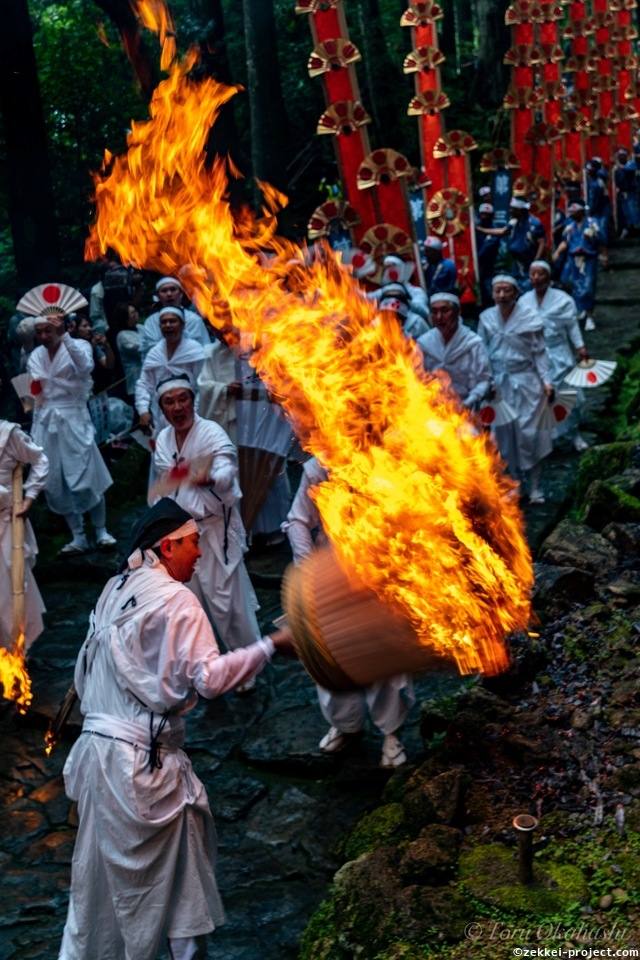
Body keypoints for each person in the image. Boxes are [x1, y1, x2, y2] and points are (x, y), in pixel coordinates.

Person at [57, 498, 294, 960]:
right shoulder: (177, 600)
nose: (200, 553)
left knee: (101, 884)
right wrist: (269, 647)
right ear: (167, 548)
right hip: (137, 772)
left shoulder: (115, 586)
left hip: (97, 758)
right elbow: (207, 680)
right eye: (192, 543)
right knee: (136, 889)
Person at [282, 457, 414, 768]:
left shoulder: (392, 459)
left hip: (382, 575)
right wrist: (308, 570)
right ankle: (346, 724)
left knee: (385, 658)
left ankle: (391, 732)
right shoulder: (317, 468)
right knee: (330, 655)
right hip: (330, 575)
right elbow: (298, 520)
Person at [153, 378, 263, 676]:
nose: (178, 407)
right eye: (170, 401)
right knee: (189, 605)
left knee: (229, 606)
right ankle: (203, 666)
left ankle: (247, 667)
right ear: (162, 408)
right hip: (180, 537)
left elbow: (227, 468)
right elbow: (164, 484)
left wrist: (213, 478)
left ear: (192, 400)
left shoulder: (212, 433)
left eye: (182, 399)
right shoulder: (163, 440)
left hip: (214, 533)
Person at [27, 314, 115, 553]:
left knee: (87, 475)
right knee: (56, 480)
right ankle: (78, 536)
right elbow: (35, 395)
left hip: (75, 419)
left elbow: (86, 366)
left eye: (49, 331)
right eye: (40, 332)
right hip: (47, 422)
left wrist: (65, 335)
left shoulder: (80, 345)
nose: (44, 336)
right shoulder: (35, 356)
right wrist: (34, 431)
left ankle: (101, 530)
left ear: (60, 329)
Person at [477, 275, 554, 503]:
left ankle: (536, 486)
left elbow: (540, 352)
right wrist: (486, 382)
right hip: (499, 385)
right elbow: (482, 353)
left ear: (515, 293)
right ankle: (513, 484)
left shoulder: (530, 318)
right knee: (502, 438)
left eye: (506, 291)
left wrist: (546, 381)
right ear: (492, 294)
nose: (501, 295)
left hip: (527, 383)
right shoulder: (486, 318)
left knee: (529, 434)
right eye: (497, 290)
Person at [520, 261, 589, 451]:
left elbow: (572, 326)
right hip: (535, 356)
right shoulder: (524, 301)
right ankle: (546, 439)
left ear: (548, 277)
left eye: (540, 274)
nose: (536, 278)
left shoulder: (563, 300)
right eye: (532, 274)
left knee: (567, 395)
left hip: (559, 353)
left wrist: (580, 347)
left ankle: (574, 434)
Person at [0, 419, 48, 648]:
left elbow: (40, 460)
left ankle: (15, 652)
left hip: (6, 523)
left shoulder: (8, 434)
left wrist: (29, 497)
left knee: (10, 590)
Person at [135, 305, 205, 437]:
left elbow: (202, 385)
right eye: (164, 322)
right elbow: (144, 383)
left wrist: (194, 413)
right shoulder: (154, 353)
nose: (168, 325)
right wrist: (143, 410)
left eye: (172, 321)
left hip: (191, 413)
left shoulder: (194, 351)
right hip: (161, 417)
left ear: (182, 325)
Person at [417, 292, 491, 408]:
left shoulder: (473, 343)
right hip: (432, 410)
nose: (439, 317)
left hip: (467, 408)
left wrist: (467, 403)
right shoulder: (424, 343)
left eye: (445, 311)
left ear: (458, 312)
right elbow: (416, 378)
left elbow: (484, 380)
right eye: (434, 312)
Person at [553, 201, 600, 331]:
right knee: (569, 282)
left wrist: (592, 237)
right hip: (573, 258)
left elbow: (599, 239)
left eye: (574, 212)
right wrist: (557, 252)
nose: (571, 214)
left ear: (581, 212)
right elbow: (565, 241)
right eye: (570, 212)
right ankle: (581, 308)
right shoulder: (570, 225)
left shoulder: (591, 222)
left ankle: (589, 316)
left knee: (588, 287)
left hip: (588, 259)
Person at [139, 277, 211, 357]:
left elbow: (205, 348)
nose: (169, 294)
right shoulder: (151, 321)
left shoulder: (194, 319)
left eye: (173, 289)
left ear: (181, 294)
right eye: (164, 291)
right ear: (158, 296)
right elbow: (147, 350)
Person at [505, 198, 546, 290]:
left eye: (512, 209)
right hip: (517, 262)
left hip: (529, 262)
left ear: (519, 210)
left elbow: (542, 242)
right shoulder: (514, 222)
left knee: (529, 287)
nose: (510, 211)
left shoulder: (534, 223)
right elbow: (503, 231)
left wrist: (536, 261)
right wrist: (479, 229)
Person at [112, 302, 142, 399]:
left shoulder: (141, 328)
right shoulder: (123, 336)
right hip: (136, 380)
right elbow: (141, 349)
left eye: (135, 311)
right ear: (125, 318)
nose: (136, 314)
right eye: (132, 313)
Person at [585, 160, 610, 268]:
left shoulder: (597, 183)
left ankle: (604, 259)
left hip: (599, 212)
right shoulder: (594, 181)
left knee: (600, 235)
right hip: (598, 211)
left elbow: (595, 200)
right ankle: (602, 258)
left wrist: (589, 213)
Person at [475, 203, 501, 306]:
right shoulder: (475, 228)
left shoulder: (494, 230)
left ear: (492, 215)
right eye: (482, 214)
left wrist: (475, 258)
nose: (484, 216)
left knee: (488, 293)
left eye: (487, 214)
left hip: (488, 267)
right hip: (477, 267)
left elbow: (484, 251)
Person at [613, 147, 640, 237]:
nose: (621, 158)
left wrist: (619, 167)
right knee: (626, 213)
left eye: (623, 156)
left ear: (626, 156)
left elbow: (628, 170)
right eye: (620, 156)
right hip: (622, 193)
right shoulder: (617, 168)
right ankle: (629, 229)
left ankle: (636, 229)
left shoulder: (631, 164)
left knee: (633, 211)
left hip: (631, 192)